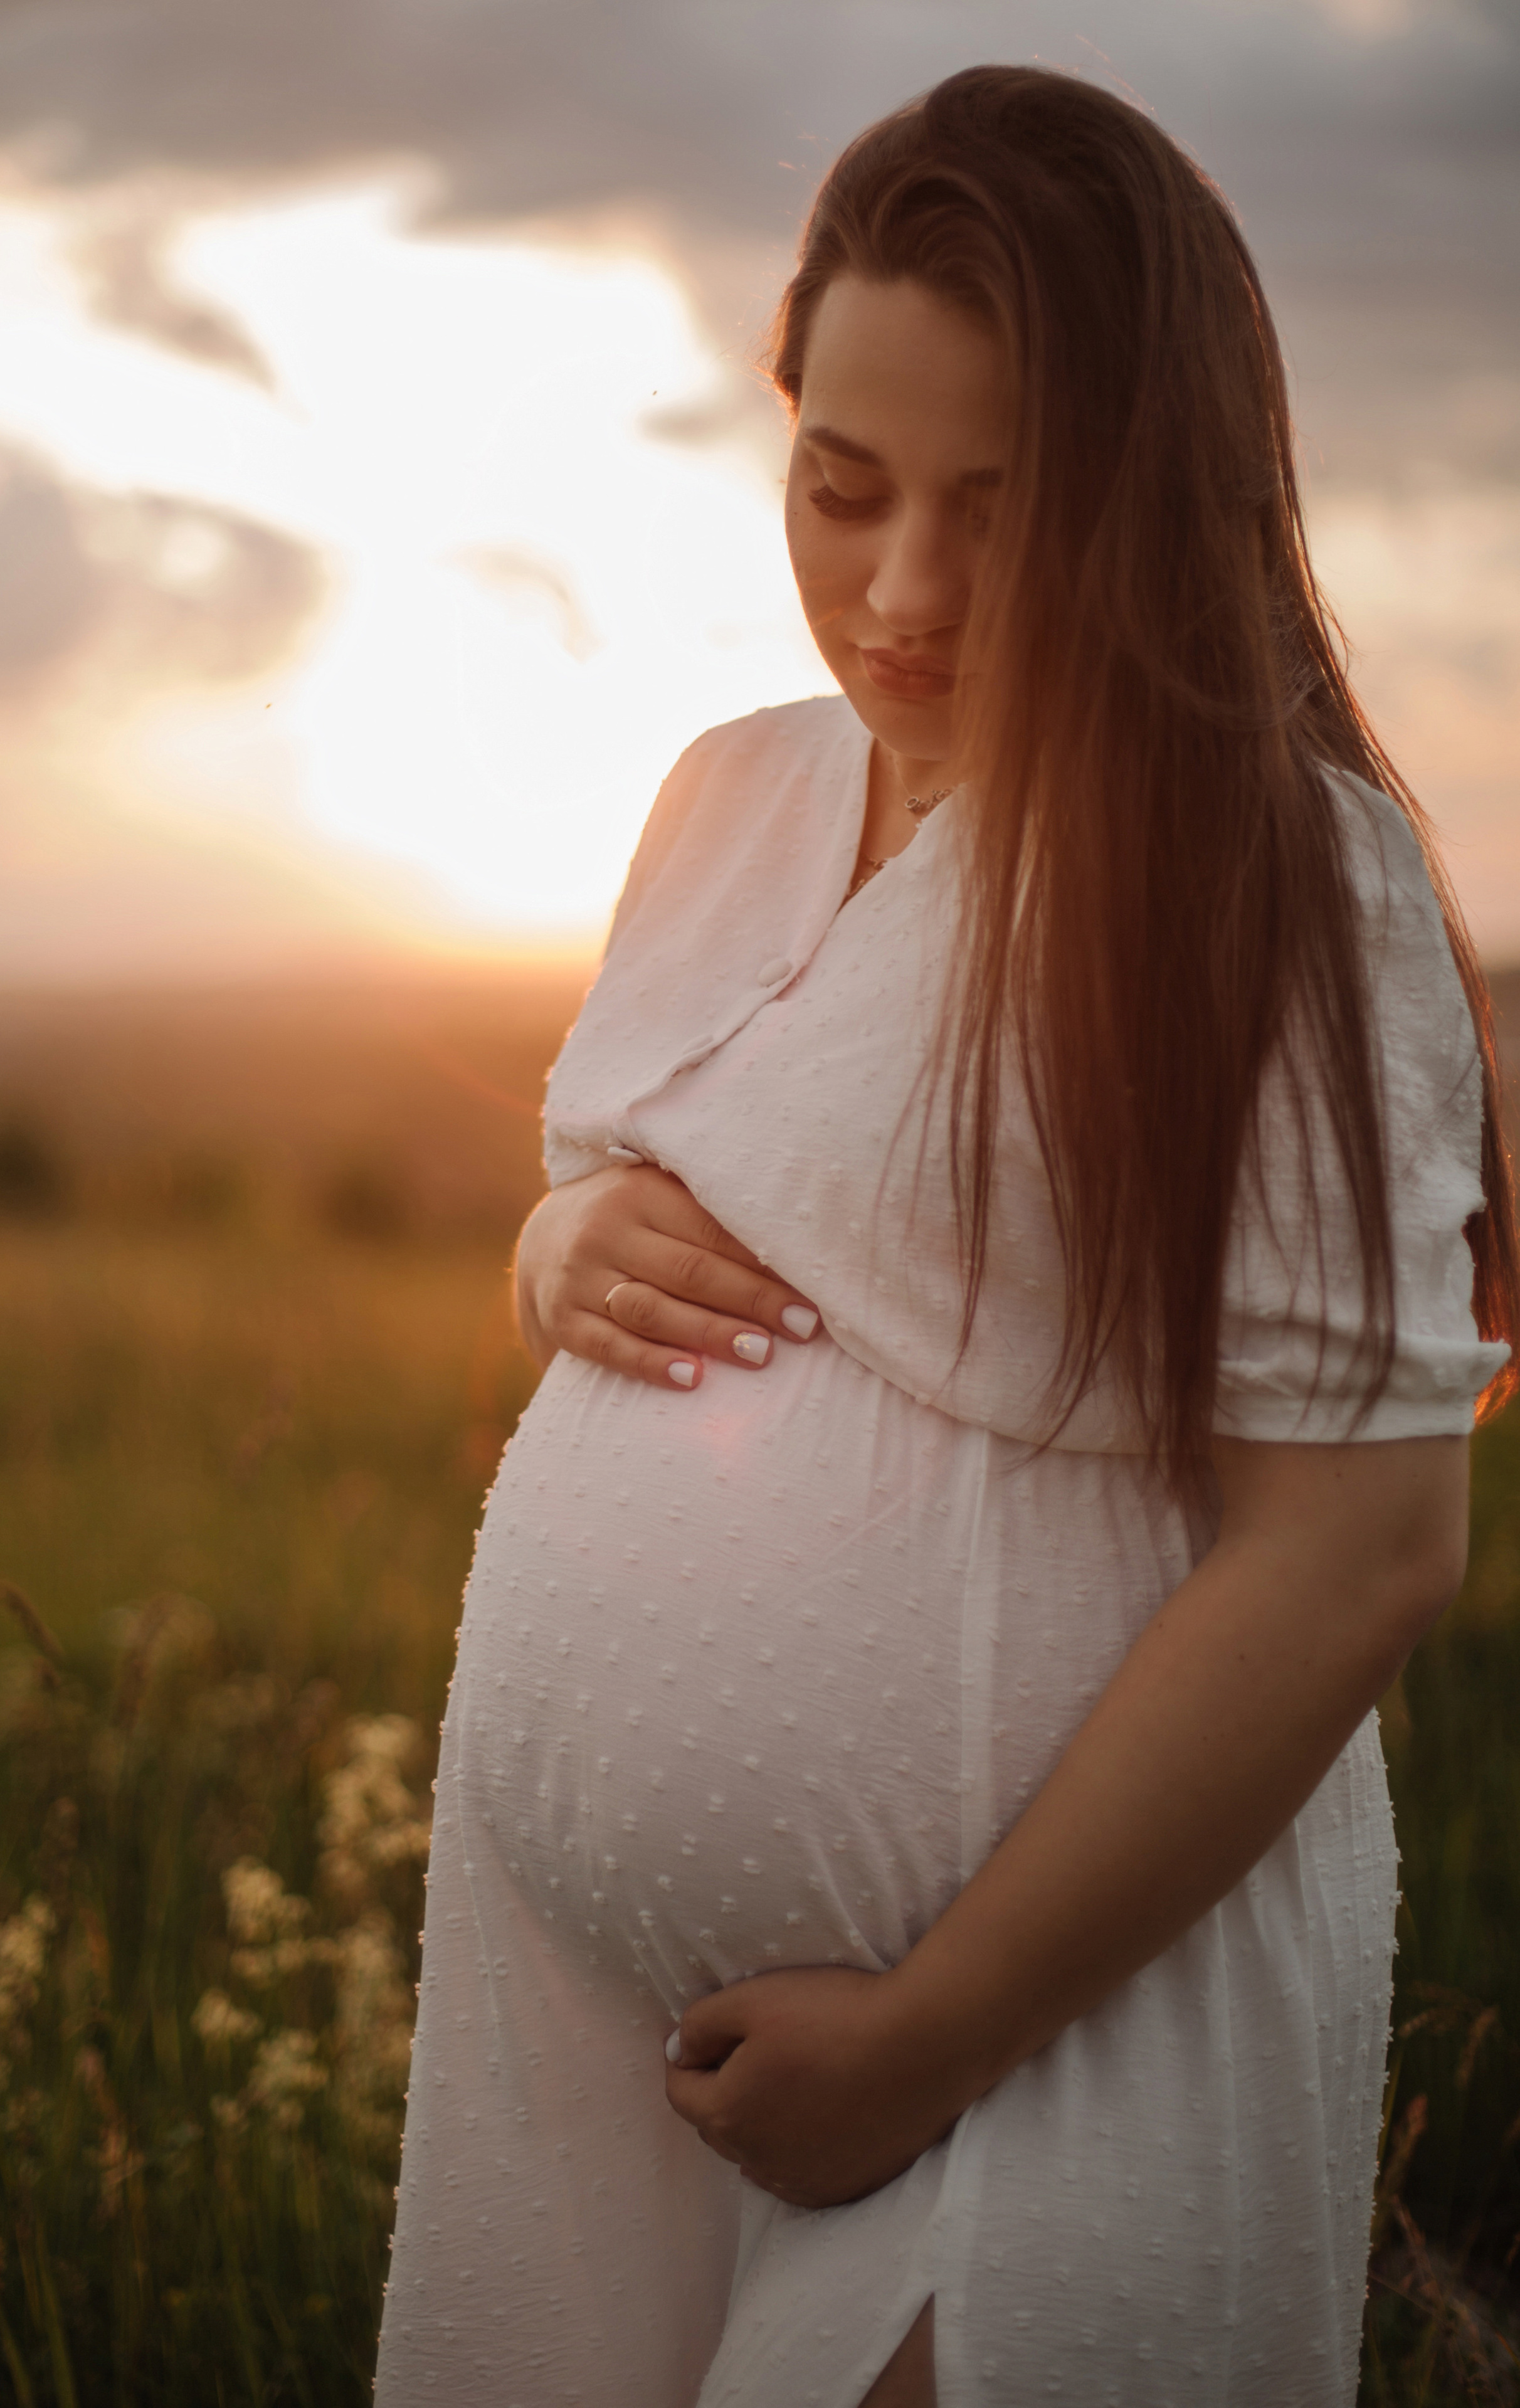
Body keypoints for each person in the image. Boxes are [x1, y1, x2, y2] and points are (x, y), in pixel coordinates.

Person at [373, 64, 1516, 2408]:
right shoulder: (726, 794)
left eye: (1007, 512)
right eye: (845, 486)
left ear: (1157, 497)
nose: (903, 594)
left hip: (1040, 2045)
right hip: (603, 2039)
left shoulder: (1267, 882)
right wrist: (552, 1247)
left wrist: (929, 2032)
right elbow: (674, 1178)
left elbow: (1366, 1546)